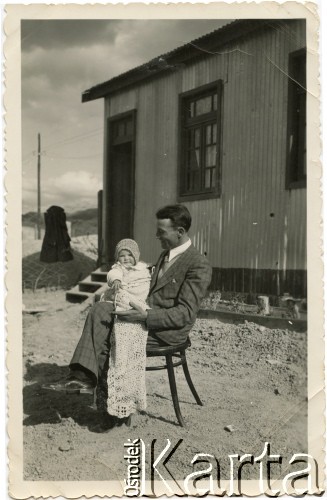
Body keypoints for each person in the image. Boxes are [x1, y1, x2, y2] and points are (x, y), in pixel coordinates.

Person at [45, 204, 212, 431]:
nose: (156, 236)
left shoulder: (197, 264)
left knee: (107, 335)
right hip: (142, 315)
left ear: (180, 232)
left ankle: (113, 409)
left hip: (164, 330)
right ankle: (82, 376)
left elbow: (184, 314)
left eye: (161, 232)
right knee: (100, 309)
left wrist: (146, 316)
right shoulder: (165, 256)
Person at [100, 239, 151, 423]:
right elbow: (113, 274)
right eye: (122, 255)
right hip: (121, 305)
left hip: (137, 308)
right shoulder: (118, 270)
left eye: (130, 255)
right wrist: (116, 281)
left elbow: (141, 293)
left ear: (136, 257)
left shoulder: (143, 272)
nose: (126, 258)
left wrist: (126, 297)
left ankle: (126, 399)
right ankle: (108, 399)